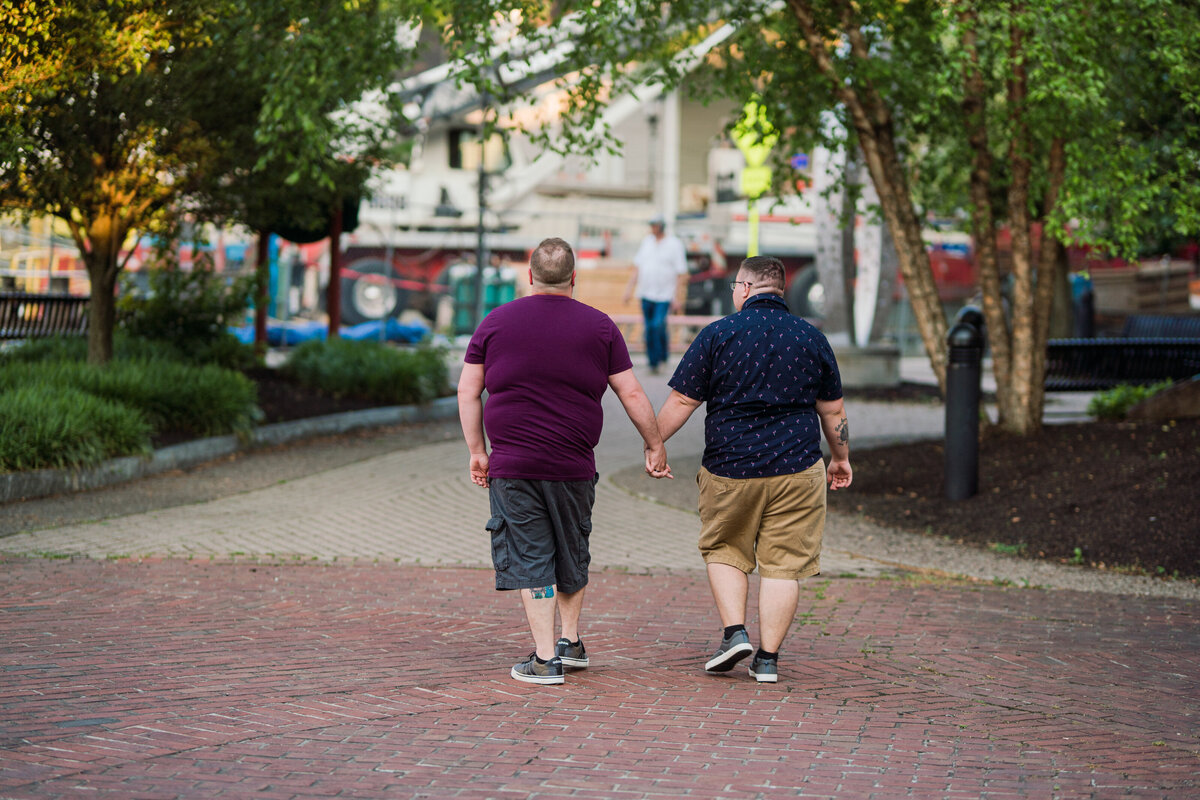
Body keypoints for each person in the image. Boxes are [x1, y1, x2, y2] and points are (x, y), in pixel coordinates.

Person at [458, 237, 673, 686]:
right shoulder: (599, 326)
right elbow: (631, 392)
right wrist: (654, 444)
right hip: (574, 464)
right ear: (574, 277)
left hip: (514, 466)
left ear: (529, 275)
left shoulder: (495, 322)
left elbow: (468, 390)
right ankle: (569, 643)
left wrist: (478, 452)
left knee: (532, 553)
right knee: (570, 549)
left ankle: (543, 660)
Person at [654, 255, 852, 683]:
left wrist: (655, 445)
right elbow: (832, 410)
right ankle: (767, 661)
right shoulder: (811, 336)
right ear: (780, 289)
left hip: (730, 467)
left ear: (744, 288)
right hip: (798, 468)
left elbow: (682, 401)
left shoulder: (718, 334)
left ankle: (734, 633)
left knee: (725, 549)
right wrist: (841, 458)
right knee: (784, 565)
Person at [623, 216, 689, 374]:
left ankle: (660, 357)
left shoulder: (674, 244)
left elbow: (681, 272)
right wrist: (628, 289)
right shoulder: (647, 242)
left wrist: (678, 296)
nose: (652, 228)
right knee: (650, 327)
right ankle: (654, 361)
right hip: (646, 292)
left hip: (664, 295)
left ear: (661, 226)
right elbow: (637, 267)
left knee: (657, 325)